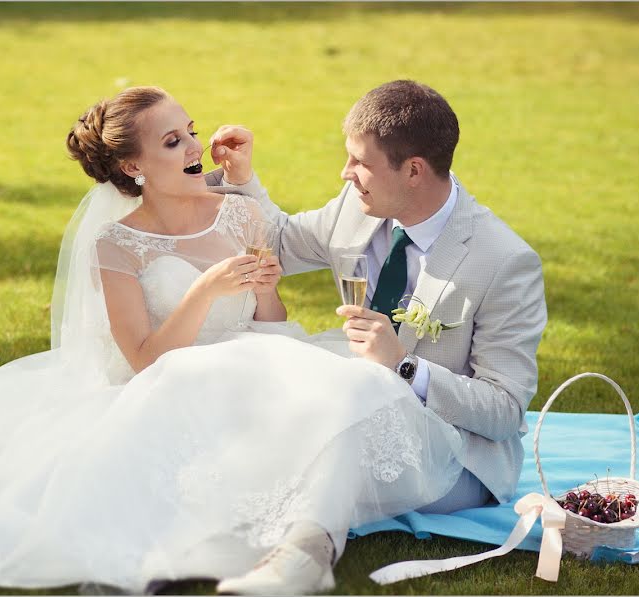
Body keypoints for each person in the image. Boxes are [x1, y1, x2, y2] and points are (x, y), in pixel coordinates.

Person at [0, 86, 468, 595]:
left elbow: (271, 321)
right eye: (173, 142)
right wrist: (204, 291)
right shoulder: (119, 243)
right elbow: (143, 360)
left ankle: (301, 546)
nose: (195, 148)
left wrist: (259, 287)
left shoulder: (236, 212)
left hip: (258, 369)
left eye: (190, 131)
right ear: (134, 168)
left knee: (340, 389)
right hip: (173, 385)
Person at [206, 79, 548, 590]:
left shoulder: (504, 261)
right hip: (355, 397)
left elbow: (504, 411)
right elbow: (279, 240)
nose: (347, 174)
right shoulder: (354, 204)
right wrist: (243, 178)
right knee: (267, 380)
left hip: (457, 455)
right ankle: (217, 539)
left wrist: (403, 366)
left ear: (413, 170)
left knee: (349, 393)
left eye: (360, 163)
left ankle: (304, 555)